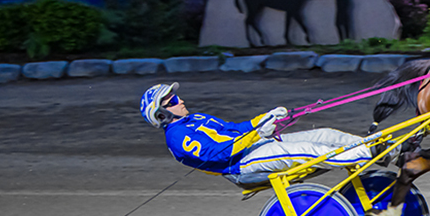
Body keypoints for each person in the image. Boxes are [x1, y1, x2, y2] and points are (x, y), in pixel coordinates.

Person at [140, 82, 376, 186]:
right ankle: (370, 153)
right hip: (241, 165)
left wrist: (266, 117)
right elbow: (218, 153)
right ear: (161, 114)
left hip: (255, 146)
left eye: (176, 96)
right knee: (309, 151)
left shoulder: (196, 118)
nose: (180, 100)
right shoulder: (177, 136)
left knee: (324, 135)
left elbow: (235, 128)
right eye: (172, 101)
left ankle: (377, 147)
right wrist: (258, 135)